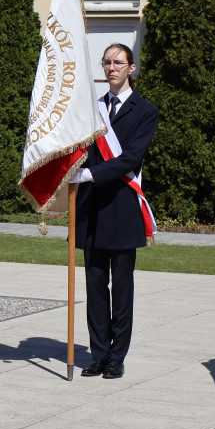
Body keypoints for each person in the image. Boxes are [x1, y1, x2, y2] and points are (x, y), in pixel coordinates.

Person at [70, 44, 159, 380]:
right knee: (94, 285)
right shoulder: (93, 109)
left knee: (121, 287)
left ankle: (117, 356)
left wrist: (91, 173)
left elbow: (130, 158)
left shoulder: (145, 110)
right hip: (93, 209)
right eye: (106, 63)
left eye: (118, 63)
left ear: (131, 68)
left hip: (122, 206)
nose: (111, 68)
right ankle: (98, 354)